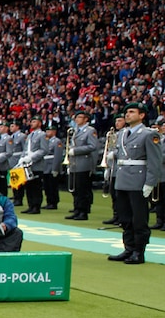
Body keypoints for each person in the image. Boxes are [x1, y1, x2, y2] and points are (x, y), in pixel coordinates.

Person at [106, 102, 163, 265]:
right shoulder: (122, 133)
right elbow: (122, 153)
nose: (127, 114)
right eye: (127, 112)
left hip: (138, 180)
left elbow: (155, 161)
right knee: (124, 217)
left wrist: (150, 183)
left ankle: (139, 251)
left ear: (141, 115)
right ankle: (129, 248)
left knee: (139, 219)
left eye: (132, 112)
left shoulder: (149, 134)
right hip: (122, 178)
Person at [65, 110, 100, 221]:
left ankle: (83, 212)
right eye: (76, 117)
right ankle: (77, 210)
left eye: (80, 117)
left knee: (82, 189)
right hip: (74, 163)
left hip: (83, 163)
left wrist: (76, 151)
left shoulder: (90, 131)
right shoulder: (75, 131)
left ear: (86, 119)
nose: (77, 119)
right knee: (75, 189)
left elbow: (92, 146)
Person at [18, 117, 47, 214]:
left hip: (36, 165)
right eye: (31, 121)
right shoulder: (30, 135)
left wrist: (32, 157)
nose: (32, 123)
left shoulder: (42, 135)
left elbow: (43, 150)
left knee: (36, 187)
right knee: (29, 186)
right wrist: (22, 158)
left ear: (39, 123)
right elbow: (25, 149)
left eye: (34, 121)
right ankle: (30, 205)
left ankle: (36, 206)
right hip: (27, 165)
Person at [40, 123, 62, 209]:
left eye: (49, 131)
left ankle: (53, 202)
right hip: (45, 166)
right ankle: (49, 201)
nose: (47, 133)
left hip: (52, 165)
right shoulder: (46, 141)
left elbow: (57, 156)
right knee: (47, 186)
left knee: (53, 186)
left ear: (54, 132)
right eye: (46, 131)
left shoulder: (57, 141)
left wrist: (55, 168)